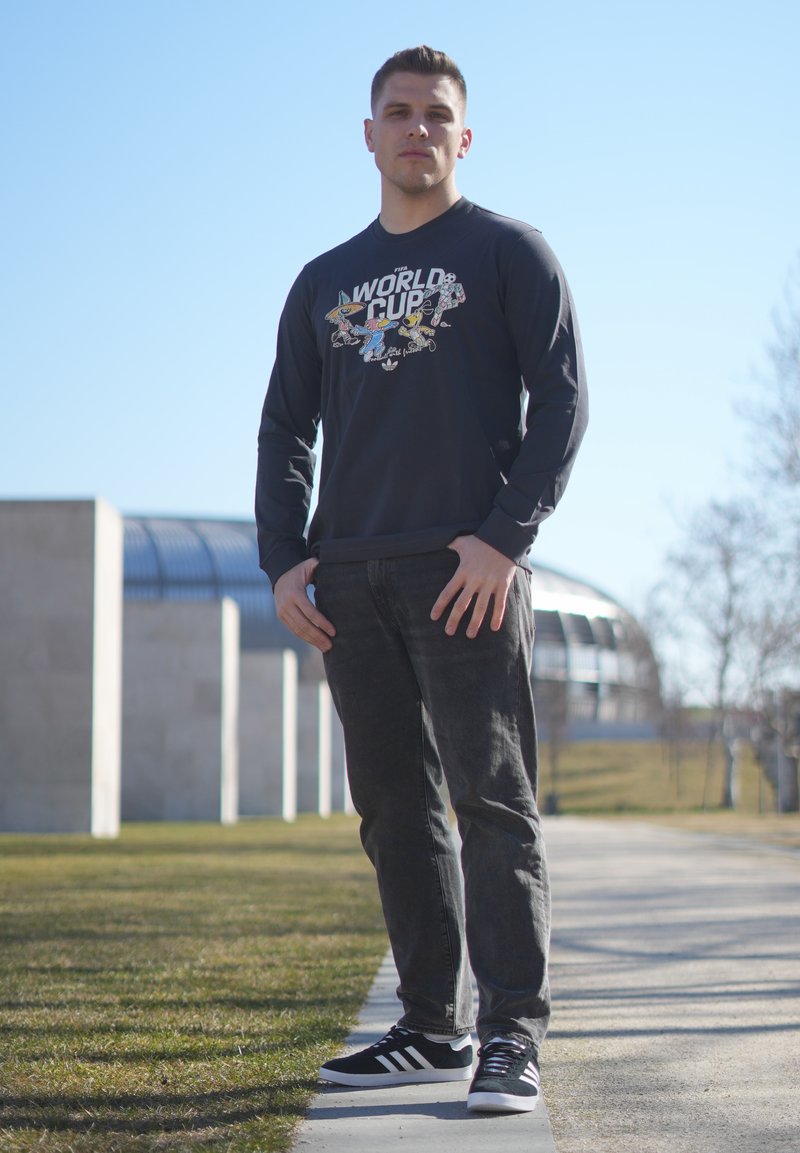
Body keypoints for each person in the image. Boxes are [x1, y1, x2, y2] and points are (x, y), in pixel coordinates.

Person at [255, 45, 587, 1115]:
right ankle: (431, 1027)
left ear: (463, 136)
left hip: (465, 574)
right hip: (351, 580)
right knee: (394, 811)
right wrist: (283, 557)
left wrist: (503, 539)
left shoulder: (508, 252)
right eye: (397, 113)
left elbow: (563, 403)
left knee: (493, 803)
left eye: (435, 114)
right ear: (369, 135)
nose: (416, 129)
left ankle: (511, 1035)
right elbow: (284, 430)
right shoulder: (323, 280)